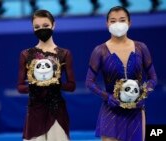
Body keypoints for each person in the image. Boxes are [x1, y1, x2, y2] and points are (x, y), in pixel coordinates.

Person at [85, 6, 157, 141]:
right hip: (111, 111)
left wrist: (144, 94)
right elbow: (89, 82)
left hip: (136, 110)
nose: (117, 24)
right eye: (113, 21)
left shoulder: (141, 48)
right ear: (107, 24)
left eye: (122, 20)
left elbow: (153, 78)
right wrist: (107, 97)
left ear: (129, 22)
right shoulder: (99, 51)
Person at [17, 9, 76, 141]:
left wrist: (57, 84)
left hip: (57, 111)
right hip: (34, 111)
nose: (41, 29)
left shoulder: (64, 54)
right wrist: (33, 86)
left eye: (45, 26)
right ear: (33, 28)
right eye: (37, 27)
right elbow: (20, 87)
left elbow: (72, 86)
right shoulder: (26, 54)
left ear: (53, 25)